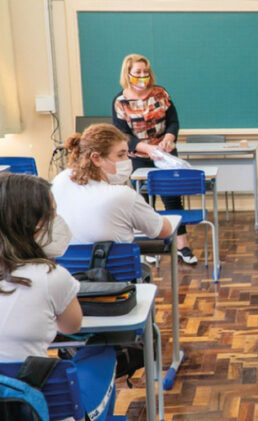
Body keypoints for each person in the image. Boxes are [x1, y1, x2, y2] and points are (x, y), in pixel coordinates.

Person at [0, 173, 117, 419]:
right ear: (33, 224)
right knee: (103, 353)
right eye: (52, 214)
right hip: (34, 406)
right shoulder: (50, 276)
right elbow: (71, 326)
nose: (57, 221)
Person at [111, 53, 196, 264]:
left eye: (145, 72)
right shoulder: (120, 102)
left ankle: (182, 246)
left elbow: (173, 121)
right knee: (144, 201)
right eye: (138, 72)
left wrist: (168, 138)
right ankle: (150, 245)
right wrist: (146, 148)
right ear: (128, 73)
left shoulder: (160, 93)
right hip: (139, 156)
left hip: (165, 155)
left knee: (172, 198)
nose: (142, 75)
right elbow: (123, 135)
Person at [51, 123, 173, 244]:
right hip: (111, 257)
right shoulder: (123, 195)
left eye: (127, 154)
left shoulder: (59, 181)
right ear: (96, 158)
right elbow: (164, 231)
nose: (127, 160)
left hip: (65, 257)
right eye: (121, 155)